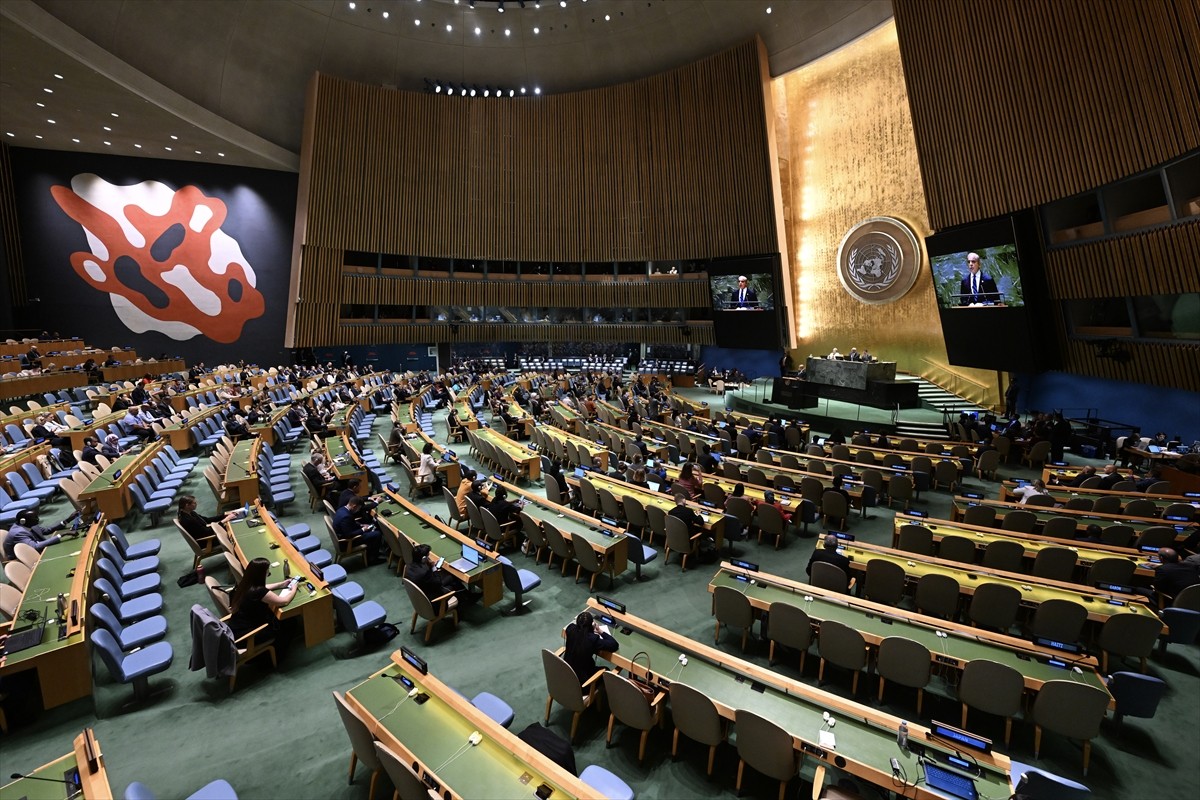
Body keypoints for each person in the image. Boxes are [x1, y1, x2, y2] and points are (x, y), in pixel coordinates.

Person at [226, 557, 300, 640]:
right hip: (248, 635)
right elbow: (284, 601)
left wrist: (281, 584)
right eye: (267, 570)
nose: (268, 572)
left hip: (236, 627)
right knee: (291, 623)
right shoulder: (259, 591)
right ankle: (278, 650)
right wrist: (294, 588)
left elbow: (263, 587)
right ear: (262, 573)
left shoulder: (244, 584)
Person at [562, 610, 619, 683]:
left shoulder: (570, 629)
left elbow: (574, 627)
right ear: (592, 625)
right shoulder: (592, 639)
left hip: (566, 674)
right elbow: (614, 645)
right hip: (582, 683)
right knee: (606, 670)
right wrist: (600, 631)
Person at [3, 509, 79, 561]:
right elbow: (35, 546)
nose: (38, 519)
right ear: (23, 521)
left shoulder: (29, 524)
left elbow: (47, 530)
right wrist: (62, 534)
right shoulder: (18, 533)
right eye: (35, 518)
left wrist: (68, 520)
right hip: (23, 558)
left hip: (38, 548)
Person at [332, 495, 382, 563]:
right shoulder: (346, 516)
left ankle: (373, 552)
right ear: (354, 506)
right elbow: (349, 535)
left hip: (343, 535)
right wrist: (363, 530)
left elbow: (351, 523)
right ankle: (373, 559)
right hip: (347, 542)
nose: (358, 510)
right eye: (358, 508)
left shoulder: (342, 509)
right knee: (377, 534)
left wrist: (361, 525)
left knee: (371, 529)